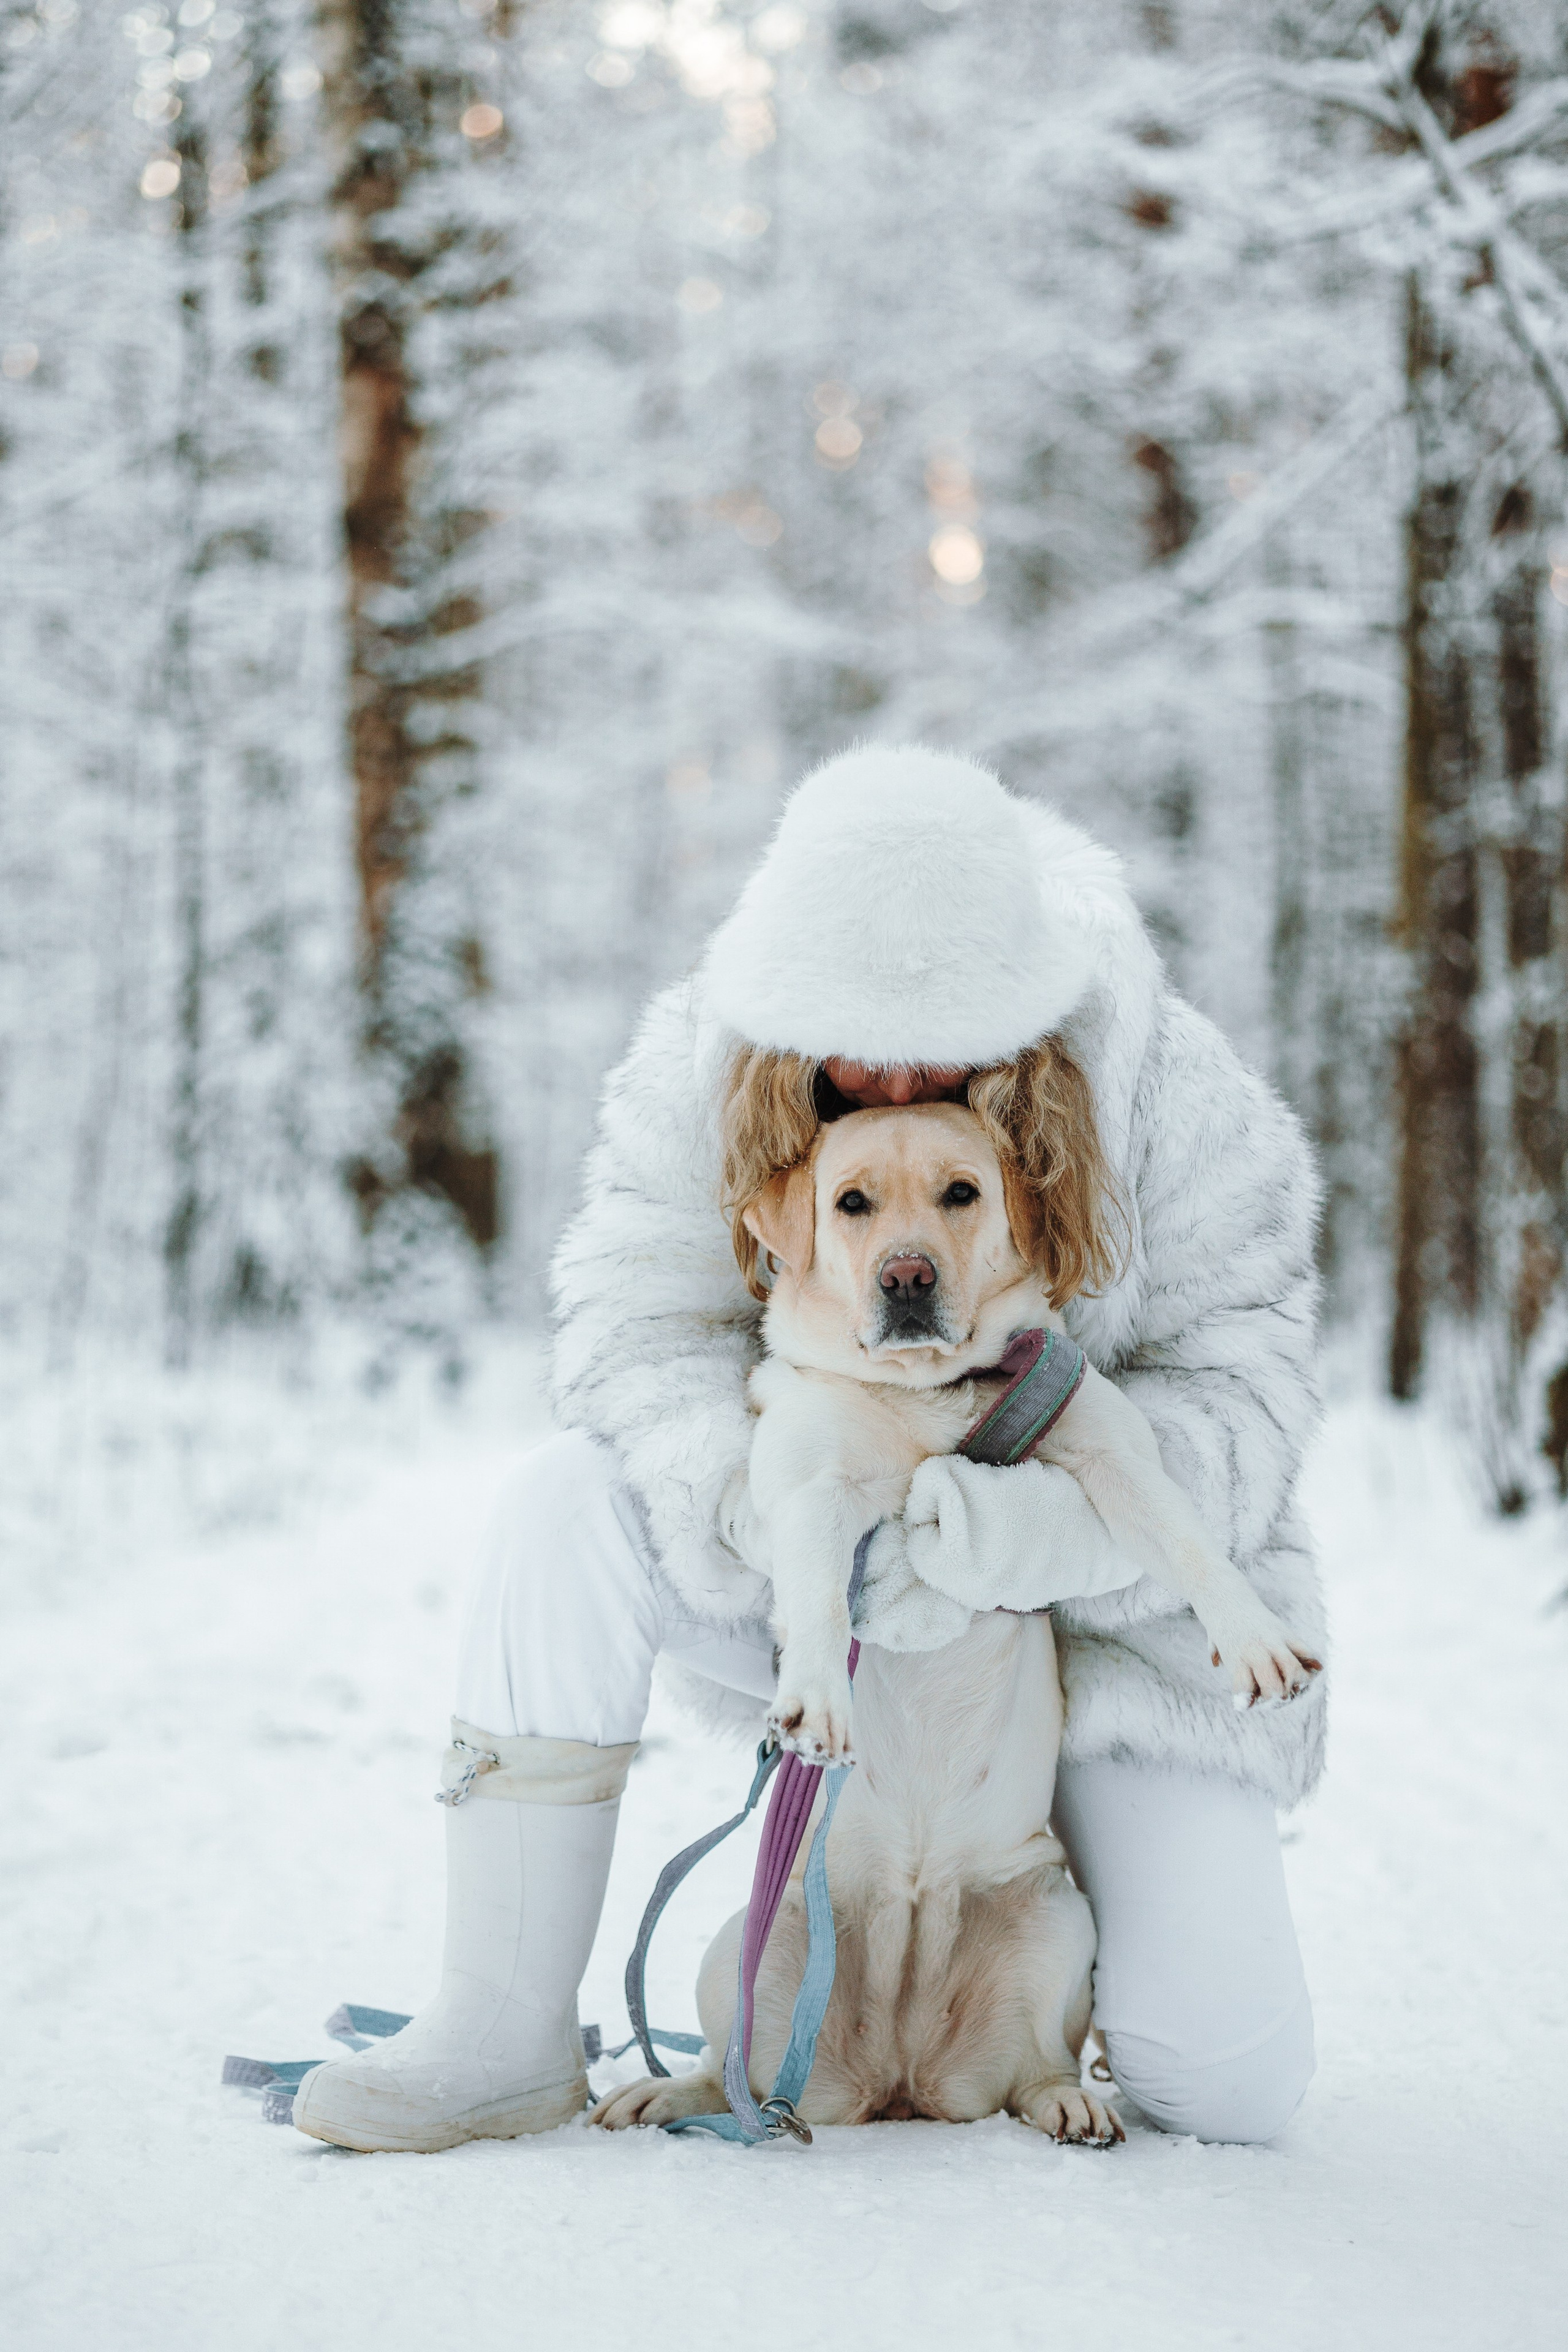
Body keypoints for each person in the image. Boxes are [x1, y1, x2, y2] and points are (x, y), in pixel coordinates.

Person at [292, 745, 1326, 2155]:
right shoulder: (704, 1067)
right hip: (820, 1589)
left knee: (1228, 2089)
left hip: (1112, 1636)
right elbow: (633, 1340)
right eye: (857, 1045)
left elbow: (1250, 1377)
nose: (896, 1073)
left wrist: (1052, 1542)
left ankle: (1030, 1886)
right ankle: (498, 2021)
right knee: (562, 1504)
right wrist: (767, 1522)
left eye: (942, 1043)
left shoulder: (1167, 1088)